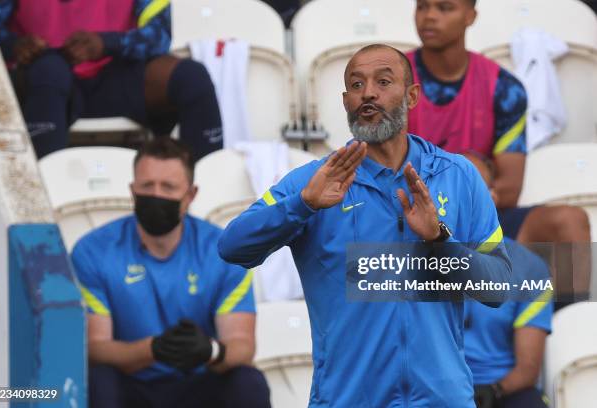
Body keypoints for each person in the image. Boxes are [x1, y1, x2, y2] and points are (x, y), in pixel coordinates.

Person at [219, 43, 512, 407]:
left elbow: (499, 287)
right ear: (345, 102)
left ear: (412, 96)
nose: (368, 93)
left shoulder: (459, 176)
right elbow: (231, 247)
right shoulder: (315, 182)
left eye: (383, 81)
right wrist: (302, 205)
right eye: (356, 85)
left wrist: (440, 240)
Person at [408, 0, 591, 301]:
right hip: (411, 214)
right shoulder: (394, 81)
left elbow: (508, 190)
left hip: (484, 213)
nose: (429, 16)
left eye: (444, 8)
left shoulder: (503, 88)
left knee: (570, 222)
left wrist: (463, 186)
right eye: (422, 6)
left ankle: (564, 332)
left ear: (471, 16)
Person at [71, 138, 270, 408]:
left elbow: (242, 345)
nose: (156, 195)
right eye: (147, 186)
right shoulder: (93, 251)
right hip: (132, 385)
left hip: (198, 384)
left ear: (190, 195)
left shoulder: (225, 250)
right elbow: (95, 348)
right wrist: (152, 350)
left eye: (168, 187)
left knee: (248, 383)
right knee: (99, 380)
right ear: (132, 191)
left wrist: (209, 350)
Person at [0, 0, 223, 160]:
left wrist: (108, 43)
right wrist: (15, 46)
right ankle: (41, 204)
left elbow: (160, 34)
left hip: (113, 72)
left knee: (192, 77)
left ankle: (203, 197)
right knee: (50, 69)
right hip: (42, 83)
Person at [467, 239, 553, 408]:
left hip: (499, 389)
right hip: (430, 386)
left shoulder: (529, 265)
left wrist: (495, 390)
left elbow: (528, 368)